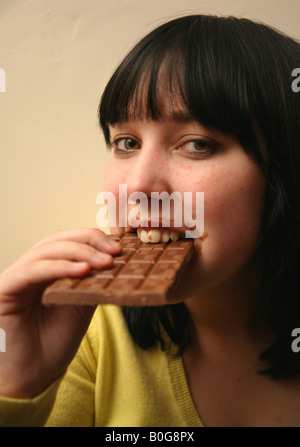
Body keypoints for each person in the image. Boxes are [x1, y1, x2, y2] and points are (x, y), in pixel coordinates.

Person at [0, 14, 300, 427]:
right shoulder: (84, 335)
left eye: (196, 144)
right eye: (126, 142)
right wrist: (16, 386)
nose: (136, 187)